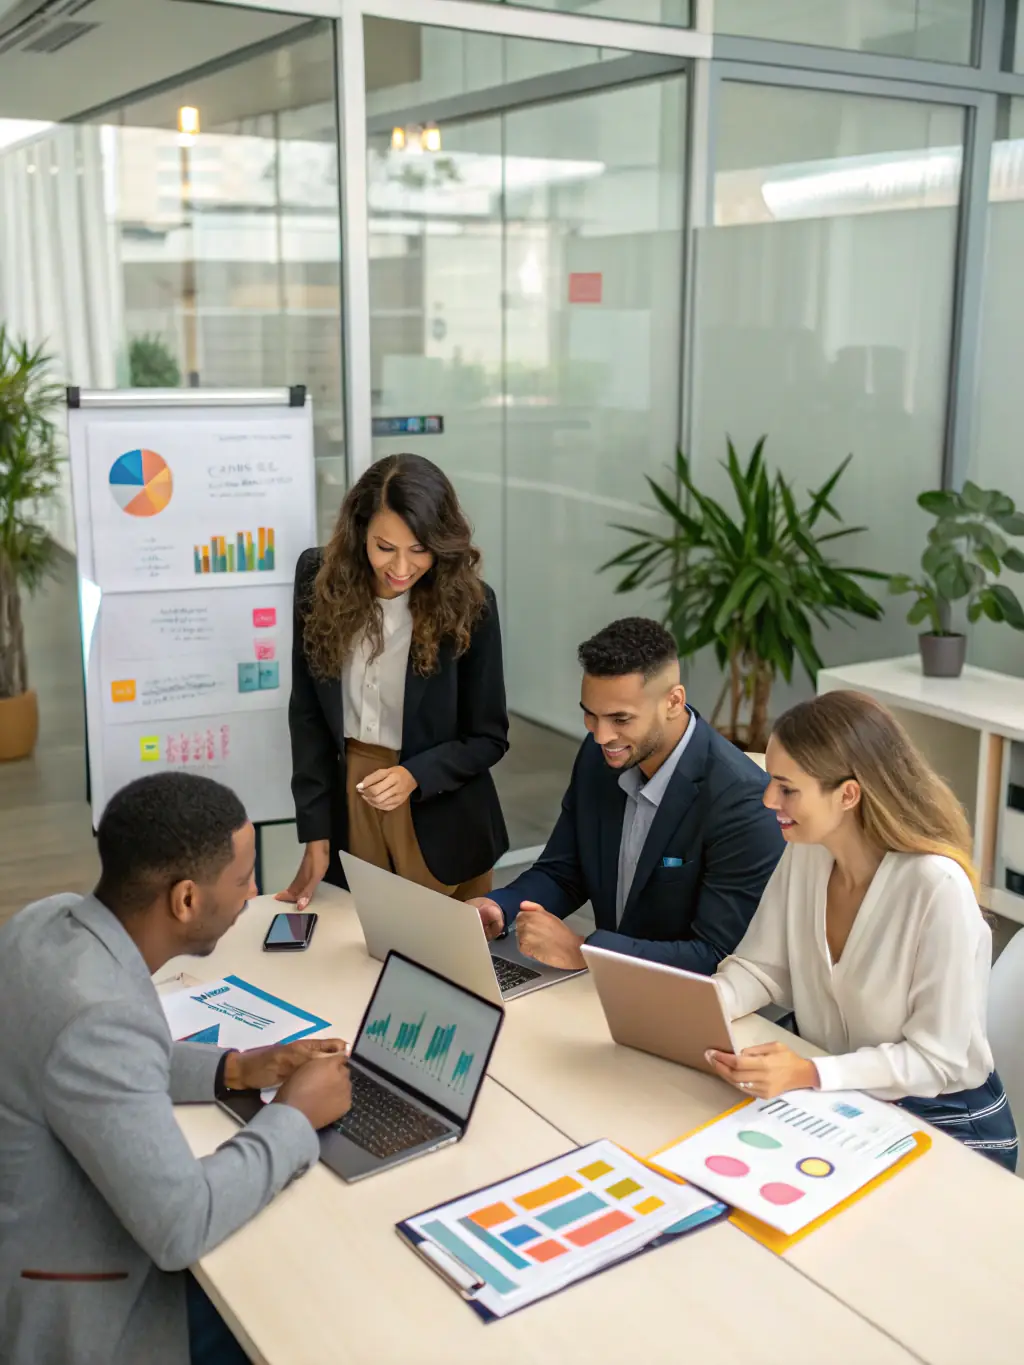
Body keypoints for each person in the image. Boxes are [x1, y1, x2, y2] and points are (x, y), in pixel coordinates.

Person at [0, 772, 353, 1365]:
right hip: (89, 1313)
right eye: (242, 879)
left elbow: (97, 1062)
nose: (253, 893)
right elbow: (181, 1225)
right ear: (186, 900)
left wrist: (236, 1069)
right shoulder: (101, 1018)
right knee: (306, 1314)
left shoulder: (50, 920)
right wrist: (295, 1115)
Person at [708, 690, 1018, 1173]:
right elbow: (763, 967)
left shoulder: (936, 888)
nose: (769, 800)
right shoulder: (808, 850)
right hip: (840, 1098)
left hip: (944, 1121)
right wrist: (700, 1005)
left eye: (787, 789)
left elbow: (937, 1061)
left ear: (848, 795)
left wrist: (808, 1072)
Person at [472, 617, 784, 971]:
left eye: (620, 719)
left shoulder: (743, 804)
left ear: (674, 702)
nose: (602, 736)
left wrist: (585, 951)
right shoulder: (600, 755)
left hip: (683, 997)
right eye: (591, 715)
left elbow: (716, 955)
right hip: (604, 985)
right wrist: (500, 907)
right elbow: (565, 870)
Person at [279, 453, 509, 908]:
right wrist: (317, 833)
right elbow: (307, 715)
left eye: (420, 549)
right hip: (353, 799)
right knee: (358, 940)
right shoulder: (316, 580)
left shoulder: (471, 605)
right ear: (359, 532)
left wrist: (414, 775)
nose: (401, 567)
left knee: (443, 947)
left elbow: (489, 737)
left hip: (441, 813)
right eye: (385, 547)